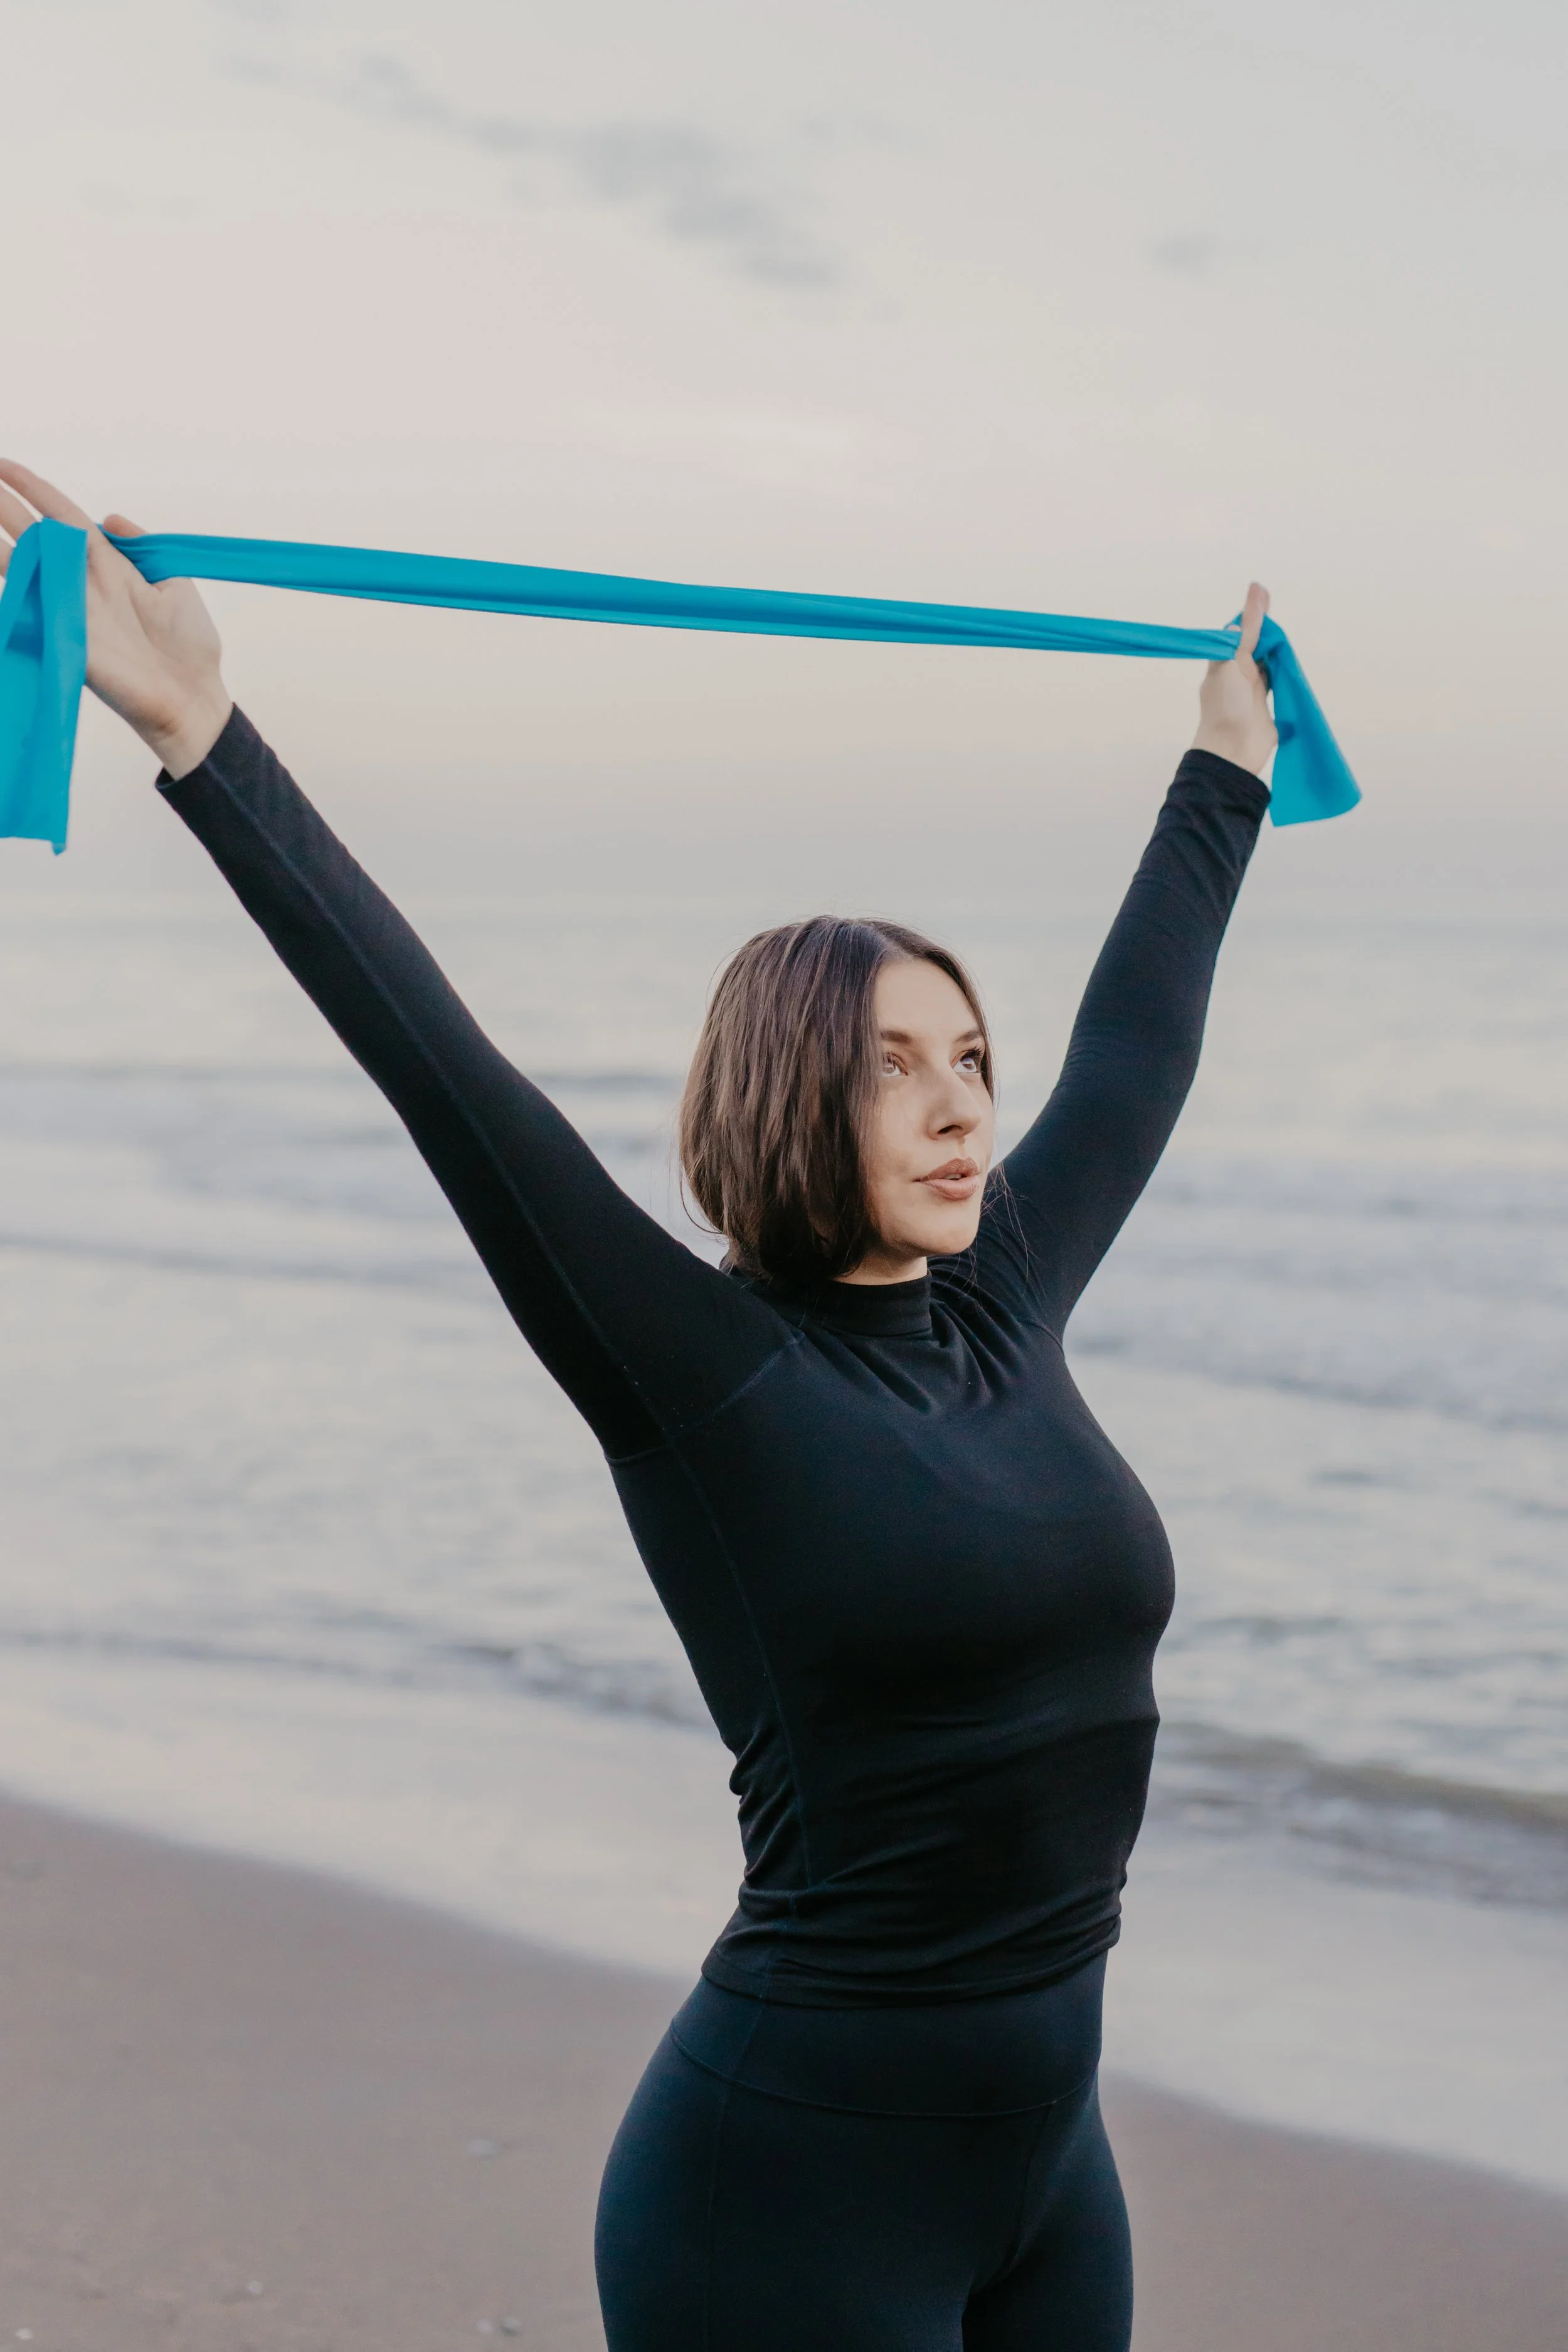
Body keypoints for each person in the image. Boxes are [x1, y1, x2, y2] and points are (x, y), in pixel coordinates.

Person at [0, 460, 1278, 2352]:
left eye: (971, 1059)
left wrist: (1222, 770)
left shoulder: (1004, 1304)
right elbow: (445, 1066)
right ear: (787, 1098)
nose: (961, 1104)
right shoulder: (702, 1373)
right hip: (788, 2195)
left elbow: (1138, 1044)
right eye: (896, 1065)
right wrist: (201, 730)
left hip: (1045, 2174)